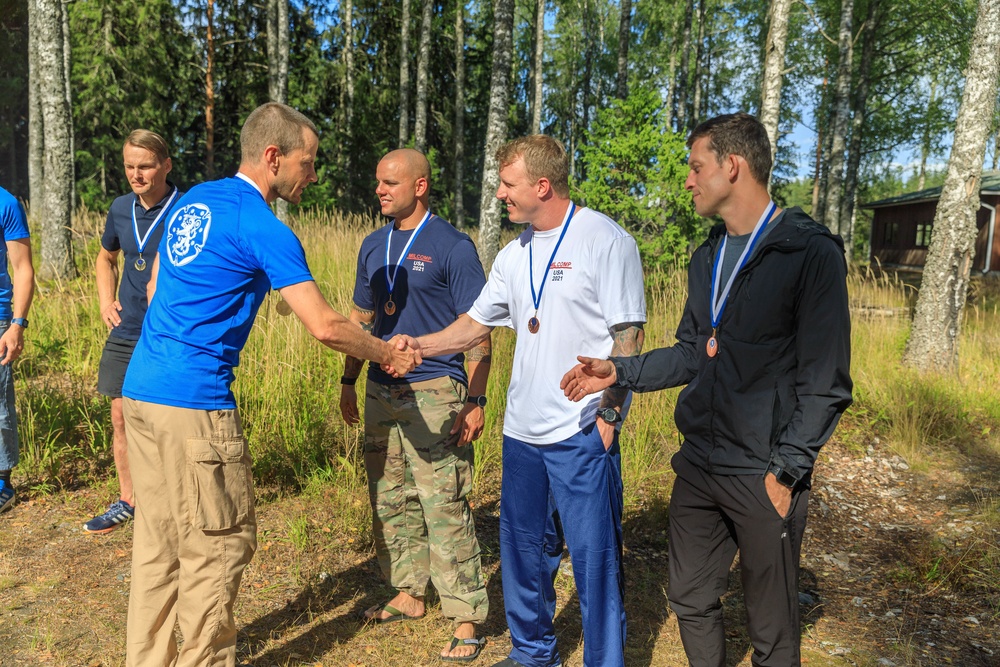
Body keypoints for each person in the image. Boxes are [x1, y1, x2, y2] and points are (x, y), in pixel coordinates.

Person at [119, 102, 419, 667]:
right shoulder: (262, 224)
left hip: (143, 390)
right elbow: (327, 326)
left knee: (157, 548)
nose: (312, 174)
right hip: (194, 405)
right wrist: (387, 354)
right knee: (217, 546)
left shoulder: (196, 200)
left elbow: (158, 286)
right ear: (273, 156)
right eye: (307, 163)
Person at [560, 113, 853, 667]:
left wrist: (788, 472)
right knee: (691, 600)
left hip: (764, 472)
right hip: (699, 466)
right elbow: (695, 352)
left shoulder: (809, 253)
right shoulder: (708, 256)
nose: (688, 181)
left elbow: (826, 383)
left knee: (771, 631)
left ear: (732, 166)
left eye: (697, 167)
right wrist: (621, 372)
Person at [388, 135, 647, 667]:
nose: (500, 195)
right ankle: (533, 654)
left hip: (580, 429)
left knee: (594, 561)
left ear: (542, 185)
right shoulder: (513, 252)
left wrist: (612, 414)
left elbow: (629, 333)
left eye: (508, 184)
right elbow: (473, 325)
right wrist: (420, 345)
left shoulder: (605, 239)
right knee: (523, 554)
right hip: (523, 430)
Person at [341, 148, 491, 662]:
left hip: (436, 393)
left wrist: (475, 398)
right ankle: (408, 593)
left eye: (390, 183)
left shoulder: (453, 246)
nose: (380, 190)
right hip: (381, 392)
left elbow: (479, 331)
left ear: (420, 186)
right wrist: (348, 381)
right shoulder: (372, 244)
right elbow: (363, 323)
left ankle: (466, 617)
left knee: (444, 503)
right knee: (391, 497)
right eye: (378, 182)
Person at [85, 129, 182, 534]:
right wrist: (107, 302)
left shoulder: (187, 207)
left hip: (170, 332)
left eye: (145, 166)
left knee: (169, 420)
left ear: (166, 165)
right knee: (121, 417)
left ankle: (175, 501)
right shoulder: (120, 208)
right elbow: (105, 257)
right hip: (126, 330)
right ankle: (129, 500)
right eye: (129, 166)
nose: (136, 175)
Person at [0, 186, 35, 515]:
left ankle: (2, 483)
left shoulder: (6, 203)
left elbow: (23, 268)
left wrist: (17, 324)